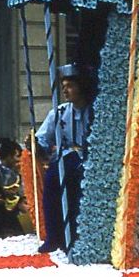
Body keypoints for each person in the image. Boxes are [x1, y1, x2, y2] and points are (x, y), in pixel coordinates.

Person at [35, 64, 95, 253]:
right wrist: (36, 145)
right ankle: (54, 237)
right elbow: (42, 138)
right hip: (66, 159)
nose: (65, 90)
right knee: (53, 181)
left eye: (70, 86)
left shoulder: (96, 111)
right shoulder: (59, 112)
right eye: (63, 86)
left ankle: (80, 236)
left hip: (90, 160)